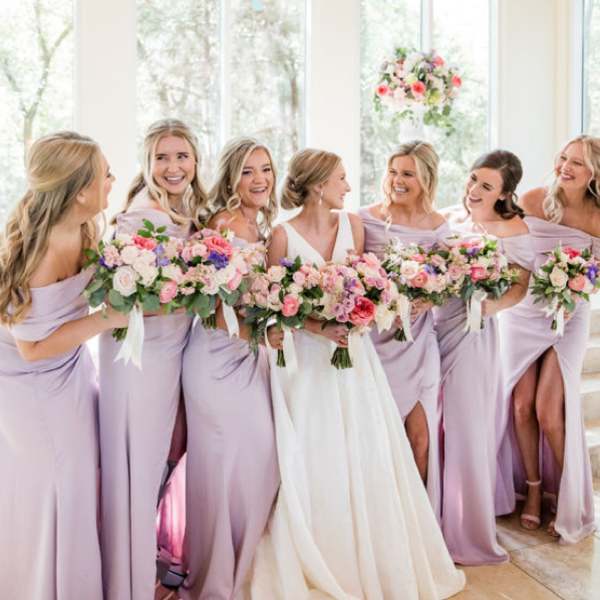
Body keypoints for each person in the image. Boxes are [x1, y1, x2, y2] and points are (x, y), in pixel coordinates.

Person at [250, 148, 465, 599]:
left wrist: (362, 313)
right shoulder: (282, 235)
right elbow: (272, 307)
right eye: (341, 179)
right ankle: (321, 551)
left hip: (355, 358)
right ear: (318, 185)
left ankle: (368, 549)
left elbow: (369, 288)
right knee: (314, 451)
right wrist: (318, 327)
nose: (349, 187)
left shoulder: (354, 225)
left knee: (362, 449)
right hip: (306, 364)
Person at [0, 131, 125, 600]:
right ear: (80, 192)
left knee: (81, 475)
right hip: (26, 383)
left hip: (69, 369)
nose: (112, 180)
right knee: (59, 482)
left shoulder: (86, 228)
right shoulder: (40, 253)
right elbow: (32, 349)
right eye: (104, 175)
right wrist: (109, 318)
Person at [98, 118, 207, 600]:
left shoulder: (187, 212)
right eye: (162, 157)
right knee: (140, 462)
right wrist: (199, 289)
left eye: (182, 156)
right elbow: (123, 302)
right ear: (147, 163)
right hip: (139, 356)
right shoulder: (141, 216)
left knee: (168, 452)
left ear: (196, 161)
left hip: (172, 350)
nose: (172, 166)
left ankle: (151, 564)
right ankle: (133, 579)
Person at [179, 137, 279, 600]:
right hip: (215, 359)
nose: (259, 179)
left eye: (266, 169)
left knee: (260, 462)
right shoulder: (220, 225)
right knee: (223, 468)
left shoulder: (264, 226)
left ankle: (244, 569)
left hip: (250, 357)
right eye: (248, 171)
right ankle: (216, 579)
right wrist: (260, 335)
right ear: (232, 178)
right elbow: (206, 308)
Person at [497, 135, 599, 542]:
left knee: (549, 411)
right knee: (521, 406)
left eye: (577, 163)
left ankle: (570, 498)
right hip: (523, 313)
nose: (565, 167)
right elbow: (506, 246)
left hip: (568, 317)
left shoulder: (597, 216)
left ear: (594, 174)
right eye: (563, 158)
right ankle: (534, 490)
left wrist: (579, 284)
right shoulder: (534, 199)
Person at [434, 150, 533, 565]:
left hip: (475, 333)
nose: (473, 189)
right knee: (435, 422)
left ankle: (467, 526)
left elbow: (520, 286)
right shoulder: (449, 219)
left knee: (466, 424)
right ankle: (435, 513)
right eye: (473, 178)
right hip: (435, 328)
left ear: (505, 194)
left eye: (486, 186)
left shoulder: (514, 229)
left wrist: (491, 307)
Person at [359, 140, 446, 516]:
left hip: (420, 342)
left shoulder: (438, 225)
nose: (397, 180)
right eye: (393, 171)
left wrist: (429, 297)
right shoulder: (365, 218)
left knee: (420, 438)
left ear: (426, 178)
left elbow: (445, 280)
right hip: (376, 343)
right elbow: (354, 275)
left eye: (408, 174)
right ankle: (383, 518)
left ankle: (419, 521)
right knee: (379, 438)